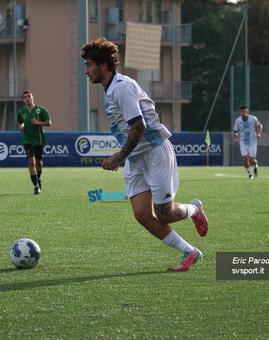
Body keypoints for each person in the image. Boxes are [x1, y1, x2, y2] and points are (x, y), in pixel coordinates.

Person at [80, 38, 208, 271]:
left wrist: (119, 156)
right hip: (136, 157)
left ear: (104, 65)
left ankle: (195, 209)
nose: (86, 71)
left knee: (165, 214)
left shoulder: (121, 87)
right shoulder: (110, 89)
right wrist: (124, 155)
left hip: (154, 152)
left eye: (89, 65)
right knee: (142, 214)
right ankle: (190, 252)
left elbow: (140, 126)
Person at [17, 90, 52, 195]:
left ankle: (39, 178)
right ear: (23, 100)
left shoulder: (40, 110)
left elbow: (49, 123)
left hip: (39, 139)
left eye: (29, 96)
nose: (27, 98)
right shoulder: (21, 112)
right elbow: (20, 123)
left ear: (33, 98)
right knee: (31, 162)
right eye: (25, 97)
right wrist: (21, 127)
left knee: (39, 162)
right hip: (27, 139)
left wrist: (38, 123)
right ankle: (36, 186)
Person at [233, 104, 263, 179]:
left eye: (244, 110)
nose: (243, 112)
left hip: (252, 141)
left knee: (252, 160)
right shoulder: (238, 121)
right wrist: (235, 138)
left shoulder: (252, 118)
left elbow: (260, 125)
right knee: (245, 159)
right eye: (241, 111)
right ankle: (250, 174)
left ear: (247, 111)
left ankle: (255, 166)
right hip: (243, 142)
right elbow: (235, 131)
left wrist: (259, 134)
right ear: (240, 112)